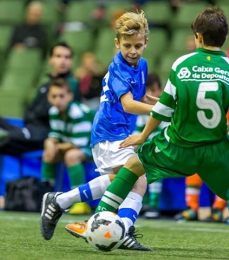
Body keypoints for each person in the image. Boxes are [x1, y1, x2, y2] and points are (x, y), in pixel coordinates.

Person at [92, 5, 229, 231]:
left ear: (198, 36)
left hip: (179, 146)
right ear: (223, 38)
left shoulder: (182, 65)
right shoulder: (226, 68)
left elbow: (164, 109)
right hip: (214, 149)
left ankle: (99, 220)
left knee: (134, 166)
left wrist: (143, 136)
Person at [40, 10, 158, 251]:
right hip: (108, 133)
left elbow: (141, 96)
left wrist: (166, 103)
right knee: (138, 179)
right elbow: (128, 104)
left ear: (146, 42)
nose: (132, 51)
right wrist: (162, 112)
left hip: (121, 133)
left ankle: (60, 200)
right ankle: (122, 229)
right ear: (117, 44)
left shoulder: (142, 65)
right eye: (127, 45)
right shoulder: (118, 68)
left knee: (124, 181)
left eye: (137, 45)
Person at [0, 42, 79, 208]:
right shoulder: (44, 86)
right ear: (50, 60)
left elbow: (66, 115)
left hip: (45, 134)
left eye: (67, 57)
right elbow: (30, 113)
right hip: (26, 131)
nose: (63, 61)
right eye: (58, 56)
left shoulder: (71, 85)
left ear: (71, 61)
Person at [41, 77, 95, 215]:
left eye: (61, 96)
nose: (58, 100)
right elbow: (55, 135)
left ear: (70, 96)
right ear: (48, 97)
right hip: (72, 144)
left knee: (71, 156)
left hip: (94, 146)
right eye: (54, 96)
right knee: (48, 154)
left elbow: (78, 143)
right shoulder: (53, 112)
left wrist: (56, 146)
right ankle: (47, 198)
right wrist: (50, 142)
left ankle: (79, 202)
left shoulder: (78, 112)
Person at [133, 73, 169, 219]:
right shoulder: (143, 112)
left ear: (161, 90)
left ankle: (154, 204)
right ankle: (143, 201)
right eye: (149, 91)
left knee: (154, 162)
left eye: (155, 90)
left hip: (164, 147)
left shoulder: (165, 109)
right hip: (148, 147)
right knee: (133, 159)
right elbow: (137, 132)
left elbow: (166, 134)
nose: (153, 94)